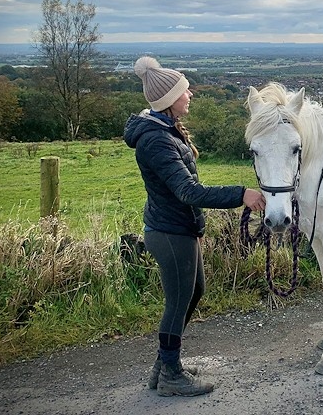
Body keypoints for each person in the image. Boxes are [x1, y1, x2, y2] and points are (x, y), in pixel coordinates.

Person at [123, 56, 265, 397]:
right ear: (170, 100)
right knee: (178, 302)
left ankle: (164, 366)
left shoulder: (164, 129)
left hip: (179, 229)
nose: (191, 95)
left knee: (194, 292)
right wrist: (241, 194)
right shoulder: (157, 139)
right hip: (170, 233)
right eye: (185, 91)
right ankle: (170, 374)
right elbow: (188, 191)